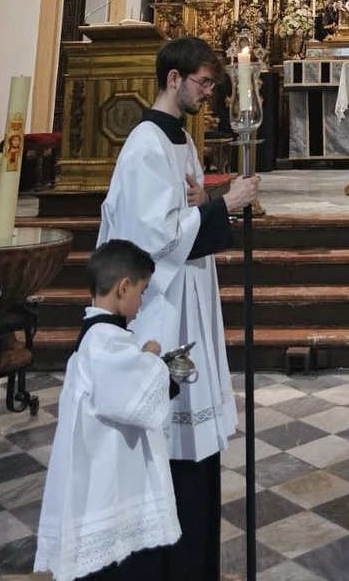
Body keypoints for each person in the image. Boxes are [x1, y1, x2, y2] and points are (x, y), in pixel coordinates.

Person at [97, 36, 259, 581]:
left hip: (188, 300)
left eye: (212, 85)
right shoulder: (145, 144)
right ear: (173, 79)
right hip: (160, 311)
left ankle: (195, 564)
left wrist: (207, 201)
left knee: (192, 450)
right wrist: (225, 204)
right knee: (168, 446)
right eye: (203, 84)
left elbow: (180, 211)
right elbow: (153, 239)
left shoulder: (182, 142)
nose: (209, 94)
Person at [34, 239, 181, 581]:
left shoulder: (102, 337)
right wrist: (154, 360)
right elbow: (135, 400)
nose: (142, 303)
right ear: (123, 287)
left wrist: (144, 360)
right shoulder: (103, 341)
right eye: (141, 292)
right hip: (104, 482)